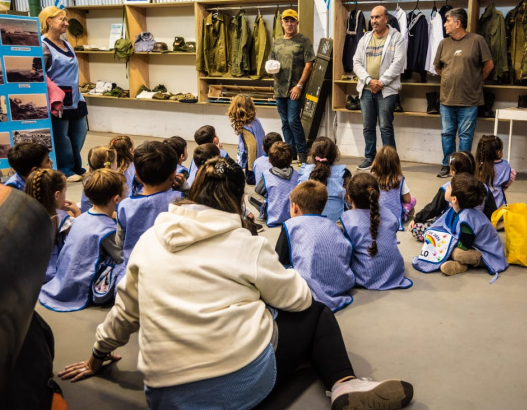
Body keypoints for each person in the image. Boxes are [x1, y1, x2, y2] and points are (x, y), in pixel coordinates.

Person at [57, 156, 414, 410]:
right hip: (239, 387)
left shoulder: (151, 240)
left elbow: (124, 315)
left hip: (166, 397)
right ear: (240, 201)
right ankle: (343, 384)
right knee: (317, 315)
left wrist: (95, 357)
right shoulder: (248, 244)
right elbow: (300, 300)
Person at [40, 169, 127, 312]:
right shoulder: (108, 230)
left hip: (62, 281)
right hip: (84, 287)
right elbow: (122, 257)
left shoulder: (80, 219)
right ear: (116, 199)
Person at [433, 8, 494, 178]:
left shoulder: (477, 40)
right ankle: (448, 164)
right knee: (447, 134)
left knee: (465, 136)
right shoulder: (444, 43)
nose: (444, 24)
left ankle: (463, 167)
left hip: (469, 99)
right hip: (447, 98)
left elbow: (488, 65)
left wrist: (476, 81)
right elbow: (437, 67)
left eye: (448, 21)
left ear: (458, 23)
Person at [278, 180, 355, 312]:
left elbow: (278, 262)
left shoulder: (290, 226)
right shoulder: (334, 226)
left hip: (309, 294)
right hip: (341, 286)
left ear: (295, 207)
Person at [352, 5, 406, 170]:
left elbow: (398, 63)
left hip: (386, 90)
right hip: (367, 89)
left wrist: (381, 82)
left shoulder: (397, 38)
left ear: (386, 19)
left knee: (385, 126)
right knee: (368, 126)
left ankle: (390, 162)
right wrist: (369, 80)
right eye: (372, 17)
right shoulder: (365, 38)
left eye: (377, 17)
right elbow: (356, 62)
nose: (374, 20)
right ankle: (370, 157)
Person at [341, 173, 413, 290]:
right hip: (394, 272)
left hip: (366, 277)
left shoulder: (347, 219)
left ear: (349, 198)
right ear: (378, 195)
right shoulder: (389, 214)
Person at [40, 6, 88, 182]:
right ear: (49, 21)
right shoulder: (43, 46)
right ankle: (65, 170)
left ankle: (76, 166)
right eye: (62, 20)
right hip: (58, 100)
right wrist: (54, 95)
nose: (66, 23)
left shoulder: (67, 44)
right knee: (61, 137)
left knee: (79, 132)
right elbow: (39, 74)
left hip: (75, 97)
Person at [115, 141, 183, 264]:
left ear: (137, 175)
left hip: (133, 266)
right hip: (167, 265)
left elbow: (119, 243)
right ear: (174, 175)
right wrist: (184, 187)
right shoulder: (179, 200)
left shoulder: (124, 206)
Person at [429, 173, 507, 277]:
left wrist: (447, 245)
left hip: (487, 253)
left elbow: (465, 245)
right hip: (473, 245)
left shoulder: (467, 219)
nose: (446, 187)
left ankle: (466, 264)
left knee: (456, 253)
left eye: (449, 187)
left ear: (454, 199)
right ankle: (460, 265)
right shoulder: (458, 209)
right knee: (443, 245)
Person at [268, 9, 315, 165]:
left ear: (297, 23)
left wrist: (299, 86)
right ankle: (290, 152)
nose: (289, 24)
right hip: (279, 88)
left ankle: (302, 151)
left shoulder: (303, 41)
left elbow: (309, 65)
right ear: (282, 23)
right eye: (286, 21)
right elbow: (271, 62)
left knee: (293, 120)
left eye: (292, 21)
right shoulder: (277, 41)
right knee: (285, 122)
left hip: (295, 88)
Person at [25, 168, 80, 283]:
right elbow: (81, 237)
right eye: (65, 191)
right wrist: (77, 213)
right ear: (57, 195)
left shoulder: (24, 215)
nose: (65, 195)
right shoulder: (61, 219)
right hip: (53, 274)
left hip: (30, 274)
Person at [409, 151, 476, 242]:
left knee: (416, 229)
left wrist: (417, 219)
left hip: (449, 228)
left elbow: (433, 209)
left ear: (453, 172)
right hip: (475, 229)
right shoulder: (482, 187)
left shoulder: (448, 188)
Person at [298, 136, 351, 223]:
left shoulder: (304, 171)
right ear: (335, 155)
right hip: (336, 223)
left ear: (312, 154)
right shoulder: (344, 172)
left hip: (308, 223)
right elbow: (349, 201)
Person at [255, 141, 299, 227]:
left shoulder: (266, 175)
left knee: (251, 196)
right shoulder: (297, 174)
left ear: (269, 160)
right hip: (293, 215)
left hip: (274, 218)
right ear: (290, 160)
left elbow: (258, 190)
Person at [370, 146, 415, 231]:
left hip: (375, 212)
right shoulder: (399, 179)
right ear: (396, 164)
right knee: (413, 200)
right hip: (394, 216)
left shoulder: (371, 176)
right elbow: (408, 199)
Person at [229, 94, 266, 185]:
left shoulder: (246, 127)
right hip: (262, 157)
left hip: (254, 161)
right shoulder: (255, 120)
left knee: (249, 180)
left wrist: (250, 168)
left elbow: (252, 147)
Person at [475, 135, 515, 209]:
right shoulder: (505, 166)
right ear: (499, 152)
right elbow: (507, 182)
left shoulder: (475, 166)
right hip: (497, 211)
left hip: (478, 211)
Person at [80, 146, 117, 213]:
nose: (117, 163)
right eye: (116, 161)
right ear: (111, 165)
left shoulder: (88, 179)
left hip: (87, 214)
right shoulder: (111, 183)